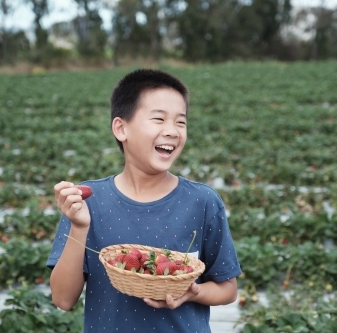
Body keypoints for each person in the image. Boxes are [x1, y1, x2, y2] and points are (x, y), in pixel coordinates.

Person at [46, 69, 242, 332]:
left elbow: (227, 289)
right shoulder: (88, 201)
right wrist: (79, 227)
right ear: (121, 128)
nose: (172, 131)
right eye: (158, 119)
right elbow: (63, 299)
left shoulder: (202, 202)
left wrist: (192, 292)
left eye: (181, 122)